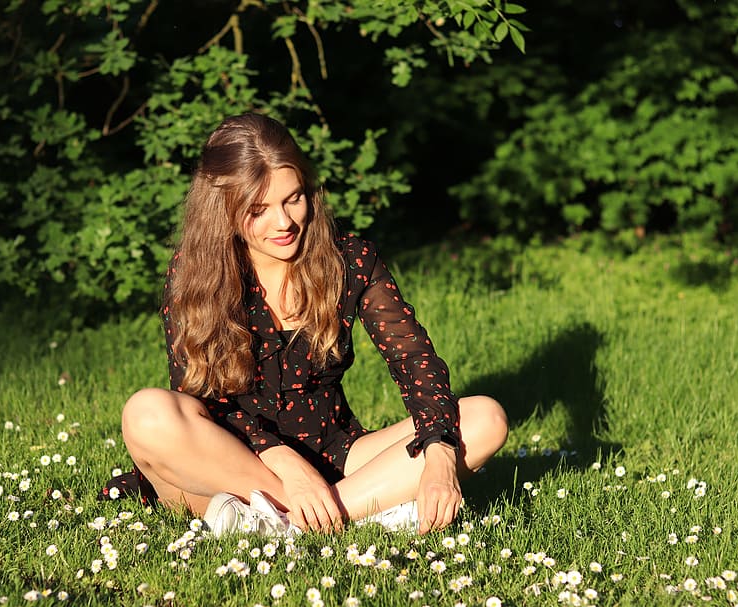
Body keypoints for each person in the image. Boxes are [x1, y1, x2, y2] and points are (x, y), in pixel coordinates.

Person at [101, 113, 508, 536]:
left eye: (293, 199)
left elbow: (415, 363)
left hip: (336, 454)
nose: (284, 222)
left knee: (483, 418)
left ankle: (290, 523)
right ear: (222, 209)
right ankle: (358, 508)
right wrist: (280, 460)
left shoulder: (349, 260)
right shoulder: (194, 273)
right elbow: (198, 395)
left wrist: (439, 455)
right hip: (230, 463)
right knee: (147, 414)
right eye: (258, 210)